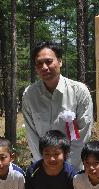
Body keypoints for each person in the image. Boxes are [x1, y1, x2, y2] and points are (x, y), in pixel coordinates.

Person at [22, 40, 93, 171]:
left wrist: (66, 167)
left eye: (48, 61)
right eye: (39, 63)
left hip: (74, 170)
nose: (44, 67)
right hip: (43, 169)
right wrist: (46, 165)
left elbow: (83, 135)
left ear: (60, 61)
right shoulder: (29, 94)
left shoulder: (79, 91)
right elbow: (31, 135)